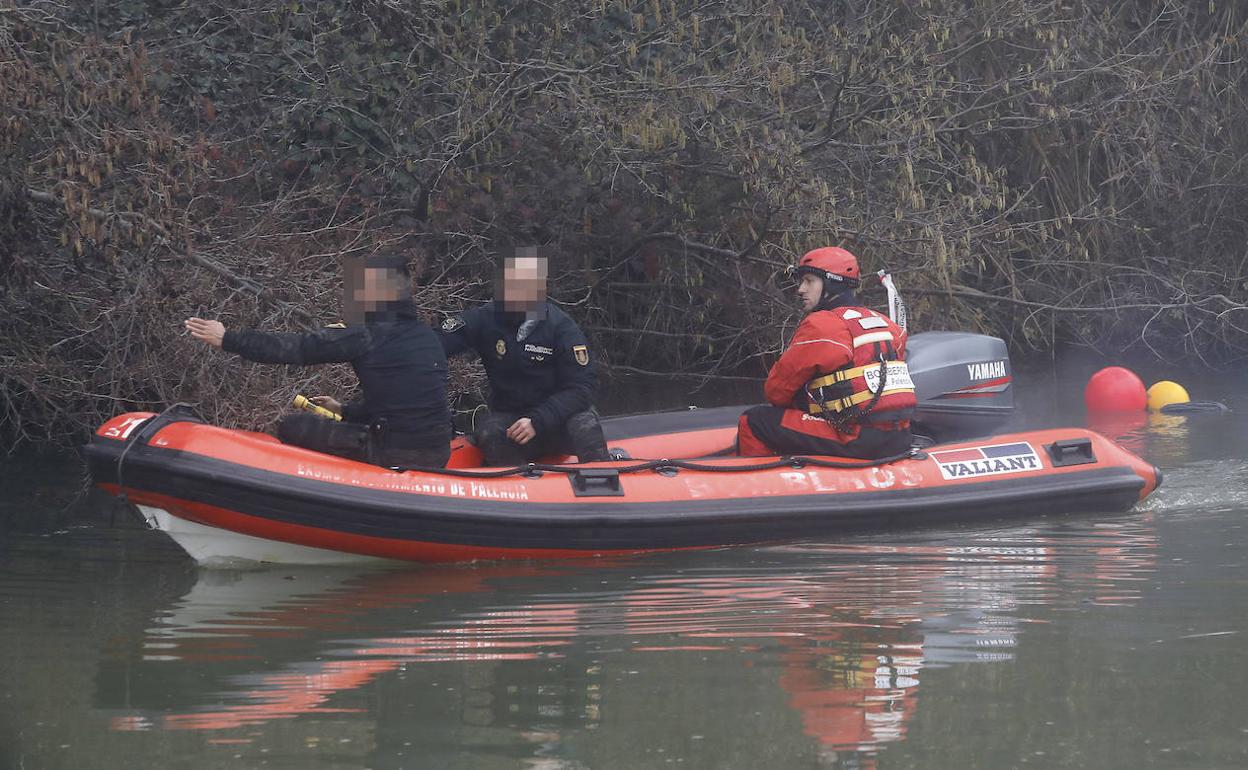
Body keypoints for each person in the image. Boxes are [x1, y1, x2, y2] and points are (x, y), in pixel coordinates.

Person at [184, 255, 452, 469]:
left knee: (294, 426)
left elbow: (294, 349)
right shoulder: (428, 337)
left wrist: (227, 338)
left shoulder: (365, 335)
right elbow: (402, 404)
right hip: (437, 453)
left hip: (393, 452)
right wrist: (345, 410)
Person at [737, 246, 916, 459]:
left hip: (855, 439)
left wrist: (805, 406)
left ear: (831, 283)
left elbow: (776, 392)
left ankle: (763, 481)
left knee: (754, 420)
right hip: (900, 438)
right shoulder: (887, 324)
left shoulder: (822, 326)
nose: (801, 289)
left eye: (809, 281)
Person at [437, 248, 610, 466]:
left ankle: (602, 481)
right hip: (512, 418)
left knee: (584, 423)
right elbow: (441, 340)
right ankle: (515, 488)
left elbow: (582, 389)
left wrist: (538, 421)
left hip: (556, 420)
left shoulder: (561, 327)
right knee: (491, 431)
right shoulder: (487, 319)